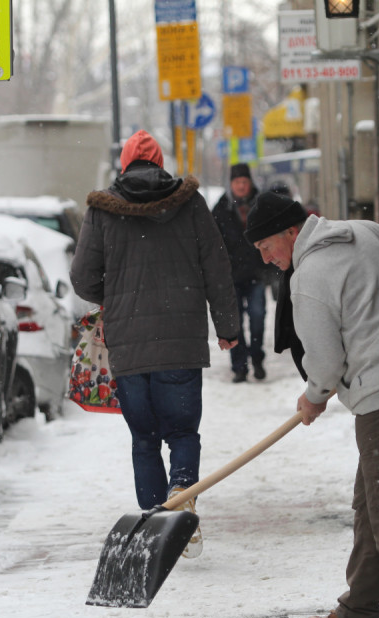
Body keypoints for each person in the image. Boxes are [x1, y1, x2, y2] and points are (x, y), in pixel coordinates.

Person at [245, 192, 379, 618]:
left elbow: (327, 364)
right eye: (258, 252)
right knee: (372, 502)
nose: (267, 258)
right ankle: (357, 612)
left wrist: (313, 397)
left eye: (266, 246)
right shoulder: (358, 231)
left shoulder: (309, 277)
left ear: (292, 232)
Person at [70, 130, 240, 558]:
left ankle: (154, 526)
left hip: (129, 346)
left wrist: (112, 296)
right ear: (161, 163)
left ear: (124, 163)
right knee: (182, 431)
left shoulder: (102, 211)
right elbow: (216, 266)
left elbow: (83, 277)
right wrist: (227, 326)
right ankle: (182, 491)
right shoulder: (190, 204)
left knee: (144, 438)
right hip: (181, 343)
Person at [211, 163, 278, 382]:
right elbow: (213, 244)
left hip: (257, 273)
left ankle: (257, 358)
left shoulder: (262, 204)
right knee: (235, 322)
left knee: (258, 317)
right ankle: (239, 365)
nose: (241, 186)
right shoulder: (221, 209)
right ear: (231, 184)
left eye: (244, 182)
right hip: (231, 278)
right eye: (237, 182)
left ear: (250, 183)